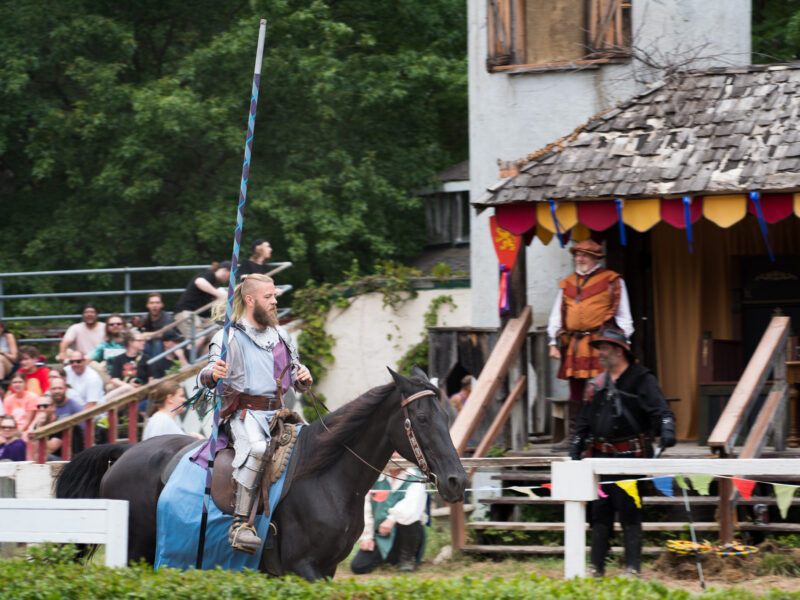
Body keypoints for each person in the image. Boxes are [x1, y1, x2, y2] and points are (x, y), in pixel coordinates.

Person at [200, 273, 312, 553]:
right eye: (268, 297)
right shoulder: (227, 337)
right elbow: (205, 375)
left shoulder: (282, 336)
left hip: (280, 414)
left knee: (313, 443)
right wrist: (213, 373)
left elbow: (296, 376)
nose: (275, 301)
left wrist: (303, 378)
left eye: (274, 296)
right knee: (259, 449)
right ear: (250, 300)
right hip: (244, 413)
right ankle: (239, 525)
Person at [569, 327, 676, 577]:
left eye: (604, 349)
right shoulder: (596, 383)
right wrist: (576, 444)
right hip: (600, 456)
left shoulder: (642, 378)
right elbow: (584, 420)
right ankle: (596, 567)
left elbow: (661, 411)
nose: (600, 354)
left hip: (632, 457)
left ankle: (632, 569)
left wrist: (667, 430)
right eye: (600, 349)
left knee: (629, 511)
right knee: (599, 513)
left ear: (619, 351)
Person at [547, 239, 633, 452]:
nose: (580, 258)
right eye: (577, 254)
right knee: (575, 391)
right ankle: (575, 436)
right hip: (575, 343)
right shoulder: (567, 284)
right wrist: (552, 341)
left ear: (595, 258)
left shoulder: (612, 281)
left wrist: (626, 343)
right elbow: (557, 316)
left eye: (585, 255)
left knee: (604, 387)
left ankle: (604, 434)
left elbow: (624, 316)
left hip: (601, 343)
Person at [351, 452, 427, 574]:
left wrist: (391, 519)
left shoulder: (416, 477)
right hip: (382, 536)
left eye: (399, 453)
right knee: (358, 566)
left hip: (408, 535)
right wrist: (367, 537)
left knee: (410, 519)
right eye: (392, 453)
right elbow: (366, 510)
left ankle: (407, 559)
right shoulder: (375, 478)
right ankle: (389, 558)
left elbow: (411, 506)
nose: (395, 456)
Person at [173, 261, 231, 349]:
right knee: (199, 337)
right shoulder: (210, 274)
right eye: (230, 275)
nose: (230, 279)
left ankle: (206, 361)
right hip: (186, 313)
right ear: (224, 270)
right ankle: (184, 360)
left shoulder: (215, 283)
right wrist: (219, 294)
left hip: (202, 317)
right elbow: (199, 282)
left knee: (217, 339)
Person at [25, 394, 83, 460]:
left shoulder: (60, 423)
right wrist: (34, 423)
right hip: (50, 460)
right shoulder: (39, 422)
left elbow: (51, 449)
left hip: (66, 460)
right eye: (39, 406)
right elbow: (32, 448)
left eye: (45, 406)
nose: (41, 409)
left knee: (42, 457)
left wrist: (39, 427)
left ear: (53, 407)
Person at [104, 329, 148, 401]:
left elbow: (151, 379)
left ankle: (100, 406)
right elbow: (114, 379)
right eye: (140, 340)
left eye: (144, 340)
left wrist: (140, 386)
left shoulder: (146, 358)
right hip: (124, 391)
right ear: (130, 342)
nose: (143, 342)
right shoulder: (119, 359)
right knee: (110, 387)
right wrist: (129, 387)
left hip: (140, 392)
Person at [138, 293, 175, 357]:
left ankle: (155, 366)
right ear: (147, 305)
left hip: (167, 347)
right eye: (151, 303)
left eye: (157, 303)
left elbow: (164, 333)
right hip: (150, 347)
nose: (154, 305)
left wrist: (146, 334)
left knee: (157, 341)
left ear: (162, 305)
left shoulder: (168, 318)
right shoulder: (145, 318)